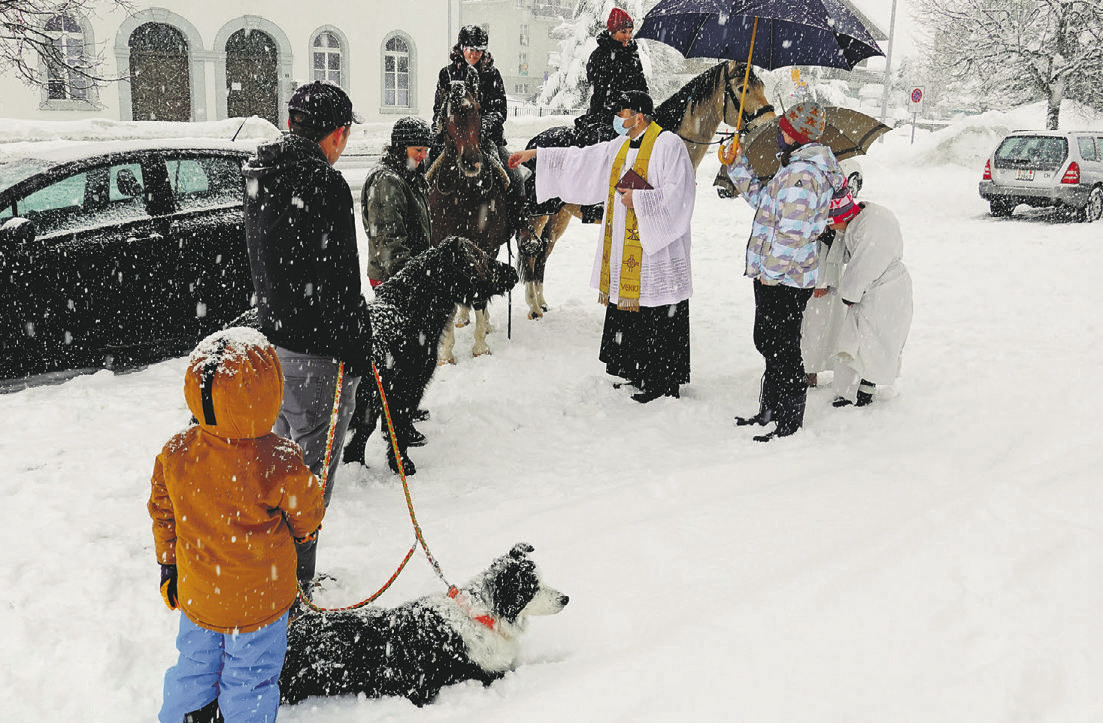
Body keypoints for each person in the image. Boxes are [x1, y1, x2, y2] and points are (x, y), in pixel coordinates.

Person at [148, 328, 326, 723]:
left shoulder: (177, 454)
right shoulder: (279, 459)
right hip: (260, 603)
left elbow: (163, 514)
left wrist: (168, 566)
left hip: (199, 596)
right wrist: (305, 534)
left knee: (194, 665)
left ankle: (186, 714)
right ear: (270, 391)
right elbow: (307, 510)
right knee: (252, 678)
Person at [242, 80, 371, 597]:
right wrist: (359, 351)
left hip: (271, 348)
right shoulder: (325, 184)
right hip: (319, 356)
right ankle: (294, 591)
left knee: (272, 474)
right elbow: (343, 282)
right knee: (308, 486)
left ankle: (269, 573)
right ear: (336, 133)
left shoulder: (260, 170)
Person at [509, 90, 696, 403]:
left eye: (622, 114)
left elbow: (680, 193)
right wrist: (536, 156)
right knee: (634, 312)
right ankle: (637, 371)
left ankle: (662, 382)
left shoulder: (668, 144)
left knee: (656, 312)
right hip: (628, 247)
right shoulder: (621, 145)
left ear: (639, 115)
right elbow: (583, 159)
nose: (618, 120)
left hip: (657, 248)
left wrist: (638, 199)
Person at [721, 99, 845, 440]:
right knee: (770, 341)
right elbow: (765, 201)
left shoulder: (803, 174)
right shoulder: (794, 167)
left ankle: (789, 420)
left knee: (782, 347)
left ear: (797, 135)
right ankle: (770, 409)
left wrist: (769, 275)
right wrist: (737, 166)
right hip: (779, 276)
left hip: (784, 279)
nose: (779, 133)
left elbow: (792, 234)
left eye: (784, 129)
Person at [351, 115, 434, 456]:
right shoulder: (387, 182)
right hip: (395, 281)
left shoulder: (407, 175)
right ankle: (393, 421)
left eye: (425, 150)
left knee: (409, 355)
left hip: (412, 276)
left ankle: (401, 412)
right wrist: (408, 284)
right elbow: (389, 241)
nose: (423, 156)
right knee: (398, 360)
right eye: (418, 150)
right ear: (401, 148)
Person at [821, 186, 914, 407]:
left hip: (884, 289)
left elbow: (863, 265)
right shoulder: (862, 218)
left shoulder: (871, 228)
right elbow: (849, 250)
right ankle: (853, 389)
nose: (831, 227)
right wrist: (831, 238)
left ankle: (861, 390)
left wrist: (849, 294)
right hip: (880, 288)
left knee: (870, 340)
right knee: (864, 340)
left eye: (831, 222)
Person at [432, 25, 528, 230]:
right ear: (461, 47)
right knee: (426, 171)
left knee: (514, 177)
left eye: (479, 50)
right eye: (470, 49)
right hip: (453, 141)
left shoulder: (492, 75)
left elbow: (499, 110)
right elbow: (438, 109)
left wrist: (479, 129)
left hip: (487, 140)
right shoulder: (447, 74)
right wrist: (440, 131)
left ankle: (522, 228)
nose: (475, 54)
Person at [576, 8, 649, 148]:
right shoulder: (600, 55)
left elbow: (641, 82)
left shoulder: (633, 55)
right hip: (605, 114)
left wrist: (645, 105)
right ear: (613, 32)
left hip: (631, 114)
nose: (628, 36)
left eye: (630, 32)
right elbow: (600, 88)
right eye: (623, 32)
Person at [801, 227, 847, 388]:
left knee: (815, 328)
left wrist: (822, 280)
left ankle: (809, 371)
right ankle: (804, 369)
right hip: (799, 274)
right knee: (808, 326)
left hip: (818, 279)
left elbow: (836, 240)